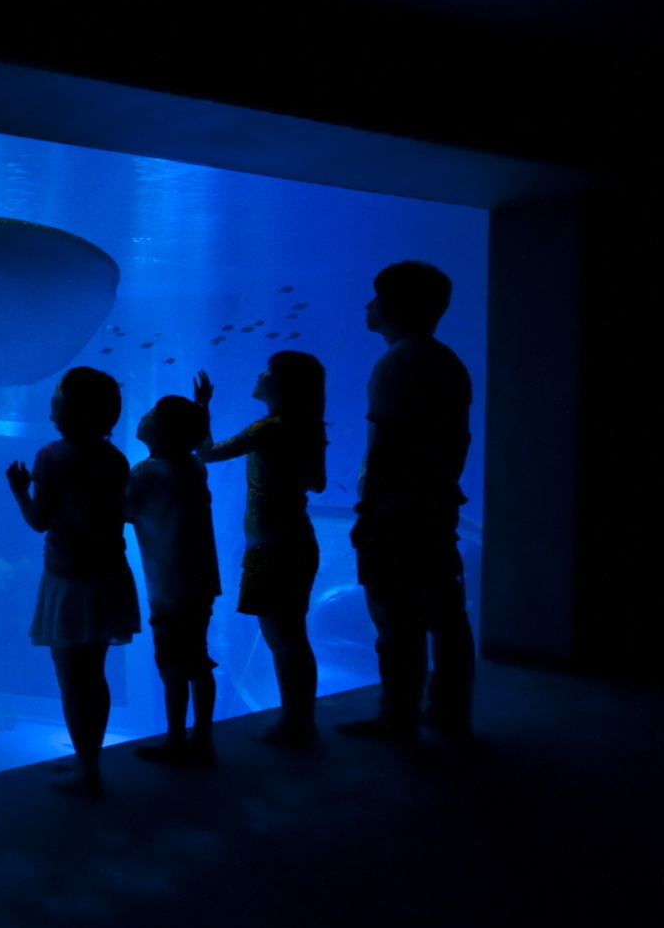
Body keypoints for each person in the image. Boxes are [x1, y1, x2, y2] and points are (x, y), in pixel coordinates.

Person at [338, 261, 476, 744]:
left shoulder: (397, 362)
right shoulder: (446, 360)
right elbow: (459, 440)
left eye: (375, 296)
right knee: (445, 617)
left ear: (396, 305)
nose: (367, 305)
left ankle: (397, 716)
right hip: (436, 507)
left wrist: (367, 510)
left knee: (396, 620)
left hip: (396, 515)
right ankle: (447, 711)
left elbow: (387, 445)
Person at [6, 366, 141, 798]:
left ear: (71, 410)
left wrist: (19, 491)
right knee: (94, 676)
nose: (50, 414)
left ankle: (88, 772)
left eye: (55, 404)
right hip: (108, 577)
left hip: (68, 580)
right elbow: (121, 513)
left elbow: (39, 521)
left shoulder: (52, 456)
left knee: (71, 679)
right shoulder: (115, 457)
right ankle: (90, 760)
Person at [197, 352, 330, 745]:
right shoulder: (310, 428)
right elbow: (318, 483)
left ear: (285, 385)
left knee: (281, 638)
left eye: (269, 371)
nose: (260, 373)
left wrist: (203, 406)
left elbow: (207, 453)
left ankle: (295, 723)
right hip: (300, 539)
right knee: (294, 636)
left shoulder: (267, 429)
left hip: (270, 545)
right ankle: (300, 718)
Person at [127, 391, 223, 766]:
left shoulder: (147, 472)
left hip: (168, 584)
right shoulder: (193, 466)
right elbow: (202, 445)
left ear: (163, 431)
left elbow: (122, 510)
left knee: (171, 663)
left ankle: (175, 739)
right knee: (197, 658)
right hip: (200, 580)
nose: (143, 416)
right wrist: (203, 410)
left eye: (151, 413)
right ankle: (202, 737)